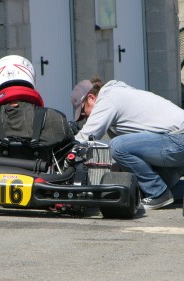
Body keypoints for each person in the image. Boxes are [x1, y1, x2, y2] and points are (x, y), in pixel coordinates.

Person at [71, 76, 184, 210]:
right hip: (172, 142)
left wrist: (66, 147)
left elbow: (87, 137)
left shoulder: (108, 99)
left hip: (178, 140)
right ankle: (162, 191)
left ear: (91, 97)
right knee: (147, 187)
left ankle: (158, 193)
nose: (86, 117)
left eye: (84, 112)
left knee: (117, 146)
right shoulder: (118, 96)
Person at [0, 55, 73, 157]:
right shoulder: (54, 118)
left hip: (0, 171)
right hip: (39, 171)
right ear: (30, 76)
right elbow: (69, 148)